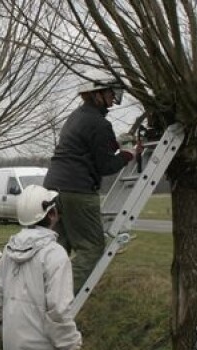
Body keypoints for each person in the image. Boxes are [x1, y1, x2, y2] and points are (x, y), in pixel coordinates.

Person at [43, 69, 134, 293]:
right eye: (111, 93)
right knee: (91, 248)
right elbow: (105, 166)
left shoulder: (77, 117)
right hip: (79, 190)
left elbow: (90, 148)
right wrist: (129, 155)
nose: (114, 98)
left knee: (59, 247)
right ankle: (60, 297)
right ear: (97, 94)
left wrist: (117, 143)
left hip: (55, 188)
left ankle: (41, 292)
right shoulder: (100, 124)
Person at [0, 185, 81, 350]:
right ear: (52, 214)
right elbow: (59, 312)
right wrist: (71, 345)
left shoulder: (8, 252)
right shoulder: (55, 254)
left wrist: (3, 335)